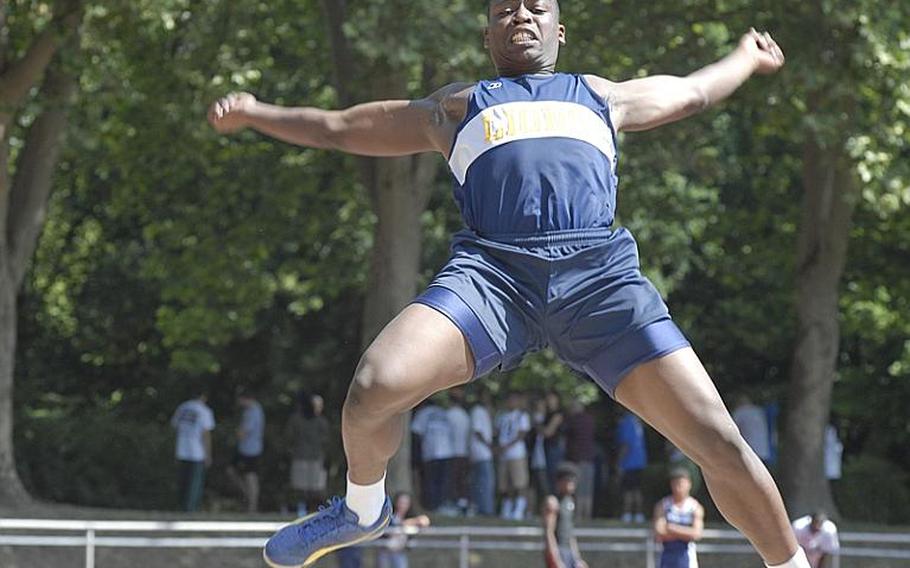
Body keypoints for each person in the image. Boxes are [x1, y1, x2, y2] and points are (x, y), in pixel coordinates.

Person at [210, 2, 809, 567]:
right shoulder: (455, 105)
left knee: (720, 441)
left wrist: (746, 58)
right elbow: (340, 126)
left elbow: (693, 91)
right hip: (493, 277)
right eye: (504, 9)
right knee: (373, 387)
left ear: (560, 30)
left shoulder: (599, 95)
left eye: (536, 7)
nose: (520, 13)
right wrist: (257, 112)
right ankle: (362, 510)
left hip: (599, 278)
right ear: (488, 35)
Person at [285, 392, 330, 516]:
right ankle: (308, 510)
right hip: (310, 458)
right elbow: (326, 441)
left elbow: (289, 437)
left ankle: (307, 510)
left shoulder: (298, 420)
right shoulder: (320, 422)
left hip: (308, 457)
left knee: (306, 488)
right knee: (310, 488)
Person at [171, 391, 215, 512]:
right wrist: (208, 454)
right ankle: (190, 509)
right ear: (203, 397)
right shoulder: (204, 410)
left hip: (181, 449)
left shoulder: (182, 407)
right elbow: (206, 434)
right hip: (197, 452)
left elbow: (175, 426)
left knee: (182, 482)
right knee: (194, 485)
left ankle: (180, 507)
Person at [653, 468, 705, 568]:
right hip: (666, 556)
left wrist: (671, 528)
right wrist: (685, 534)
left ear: (689, 484)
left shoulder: (695, 507)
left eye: (681, 483)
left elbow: (696, 534)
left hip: (686, 557)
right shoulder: (663, 505)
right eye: (675, 483)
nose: (678, 487)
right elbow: (659, 532)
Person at [410, 396, 454, 512]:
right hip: (447, 452)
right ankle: (441, 505)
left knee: (430, 481)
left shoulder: (423, 413)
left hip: (431, 452)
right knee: (442, 481)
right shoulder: (443, 413)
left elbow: (415, 432)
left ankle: (431, 506)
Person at [543, 463, 588, 568]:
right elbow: (549, 532)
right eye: (568, 481)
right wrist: (555, 557)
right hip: (558, 548)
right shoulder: (553, 502)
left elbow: (570, 533)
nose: (571, 485)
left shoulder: (570, 501)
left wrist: (577, 558)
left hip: (569, 550)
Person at [496, 391, 532, 520]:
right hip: (504, 454)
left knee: (520, 482)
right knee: (505, 483)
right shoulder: (502, 416)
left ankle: (519, 508)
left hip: (516, 453)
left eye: (513, 400)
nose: (510, 403)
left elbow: (522, 433)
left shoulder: (522, 415)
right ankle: (507, 507)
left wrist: (508, 445)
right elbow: (498, 431)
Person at [377, 492, 432, 568]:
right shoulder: (389, 515)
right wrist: (410, 523)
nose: (403, 505)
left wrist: (419, 521)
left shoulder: (410, 515)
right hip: (385, 550)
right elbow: (392, 526)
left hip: (400, 551)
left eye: (406, 503)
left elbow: (424, 521)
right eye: (401, 502)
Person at [563, 400, 596, 520]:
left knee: (578, 489)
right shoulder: (590, 420)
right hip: (589, 458)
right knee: (587, 490)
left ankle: (577, 515)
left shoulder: (573, 421)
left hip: (577, 459)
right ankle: (587, 515)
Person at [616, 410, 648, 523]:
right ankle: (639, 514)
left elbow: (626, 444)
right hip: (640, 461)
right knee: (637, 490)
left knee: (628, 491)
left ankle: (627, 514)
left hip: (630, 462)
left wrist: (620, 463)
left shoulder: (626, 422)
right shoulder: (638, 422)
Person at [469, 389, 496, 516]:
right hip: (481, 452)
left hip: (485, 452)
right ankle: (485, 509)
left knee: (484, 481)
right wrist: (489, 445)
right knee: (484, 482)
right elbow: (477, 431)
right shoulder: (478, 411)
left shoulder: (485, 411)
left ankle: (485, 507)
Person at [446, 386, 473, 515]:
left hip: (452, 451)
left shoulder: (448, 415)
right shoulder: (465, 415)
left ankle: (456, 503)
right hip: (464, 451)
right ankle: (463, 503)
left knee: (453, 480)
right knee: (462, 480)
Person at [732, 394, 772, 464]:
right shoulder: (759, 411)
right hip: (763, 450)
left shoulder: (740, 412)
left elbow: (731, 428)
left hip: (750, 450)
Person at [542, 391, 566, 493]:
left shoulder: (558, 414)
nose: (549, 401)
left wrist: (539, 426)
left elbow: (548, 432)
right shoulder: (546, 414)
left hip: (555, 448)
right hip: (545, 449)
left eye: (552, 399)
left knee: (553, 475)